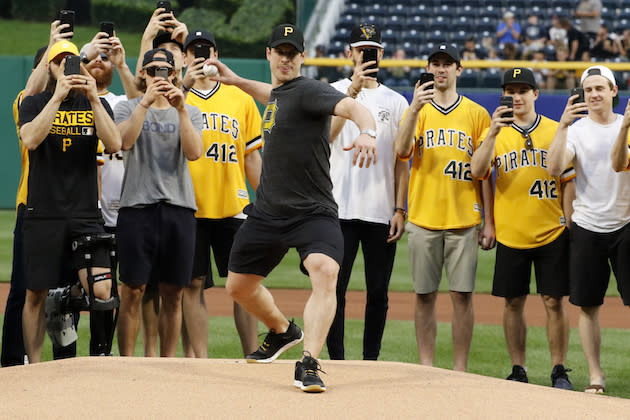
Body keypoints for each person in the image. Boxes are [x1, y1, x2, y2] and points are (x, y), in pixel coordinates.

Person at [205, 23, 377, 392]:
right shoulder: (280, 95)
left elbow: (350, 106)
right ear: (269, 54)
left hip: (311, 210)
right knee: (237, 286)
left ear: (301, 57)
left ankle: (310, 363)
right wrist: (235, 81)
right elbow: (271, 93)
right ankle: (284, 331)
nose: (285, 58)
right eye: (279, 51)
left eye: (292, 53)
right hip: (267, 211)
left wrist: (367, 131)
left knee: (324, 269)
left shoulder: (312, 90)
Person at [470, 67, 576, 389]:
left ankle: (558, 369)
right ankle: (519, 368)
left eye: (522, 91)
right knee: (512, 302)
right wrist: (491, 132)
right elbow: (478, 172)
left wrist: (569, 223)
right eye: (510, 91)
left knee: (554, 301)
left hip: (551, 230)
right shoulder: (495, 133)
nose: (516, 97)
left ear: (536, 95)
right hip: (511, 232)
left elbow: (568, 181)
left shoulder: (557, 130)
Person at [393, 43, 495, 372]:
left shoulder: (477, 113)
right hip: (423, 216)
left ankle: (460, 370)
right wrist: (413, 108)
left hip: (464, 217)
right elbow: (402, 151)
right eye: (435, 63)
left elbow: (483, 173)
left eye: (447, 63)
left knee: (462, 295)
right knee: (424, 295)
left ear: (458, 70)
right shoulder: (418, 110)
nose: (440, 69)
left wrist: (489, 221)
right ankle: (426, 366)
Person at [19, 40, 122, 363]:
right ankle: (33, 366)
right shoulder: (33, 102)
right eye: (59, 61)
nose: (66, 67)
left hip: (84, 212)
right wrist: (58, 97)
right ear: (49, 67)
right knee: (35, 292)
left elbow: (115, 142)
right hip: (43, 211)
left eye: (72, 61)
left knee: (102, 291)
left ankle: (96, 358)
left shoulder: (95, 104)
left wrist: (92, 96)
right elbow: (31, 139)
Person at [325, 23, 409, 361]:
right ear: (349, 53)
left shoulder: (396, 101)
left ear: (381, 54)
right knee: (334, 290)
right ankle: (336, 361)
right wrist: (353, 92)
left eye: (371, 49)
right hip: (337, 208)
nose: (365, 55)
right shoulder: (332, 91)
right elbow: (325, 138)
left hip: (380, 209)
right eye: (361, 49)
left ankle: (370, 361)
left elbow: (402, 160)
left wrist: (400, 208)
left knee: (378, 292)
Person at [115, 48, 203, 358]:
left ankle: (168, 366)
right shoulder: (127, 107)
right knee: (132, 290)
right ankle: (126, 362)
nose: (158, 77)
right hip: (137, 207)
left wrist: (180, 109)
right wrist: (145, 101)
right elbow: (123, 142)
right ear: (143, 74)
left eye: (164, 71)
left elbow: (194, 153)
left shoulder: (190, 112)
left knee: (173, 293)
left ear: (175, 75)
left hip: (178, 207)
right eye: (152, 71)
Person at [548, 65, 630, 394]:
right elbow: (554, 169)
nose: (594, 94)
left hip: (625, 223)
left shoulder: (625, 126)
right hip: (587, 224)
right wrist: (562, 127)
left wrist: (624, 125)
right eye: (588, 90)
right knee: (588, 305)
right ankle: (596, 375)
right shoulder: (577, 130)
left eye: (600, 88)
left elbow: (618, 163)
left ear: (613, 91)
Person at [180, 29, 262, 358]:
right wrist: (181, 84)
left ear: (217, 55)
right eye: (194, 50)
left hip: (234, 205)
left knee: (244, 285)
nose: (201, 55)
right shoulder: (175, 95)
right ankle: (199, 362)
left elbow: (252, 156)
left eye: (207, 49)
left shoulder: (240, 98)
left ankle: (254, 354)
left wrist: (268, 198)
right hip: (187, 205)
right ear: (183, 57)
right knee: (192, 284)